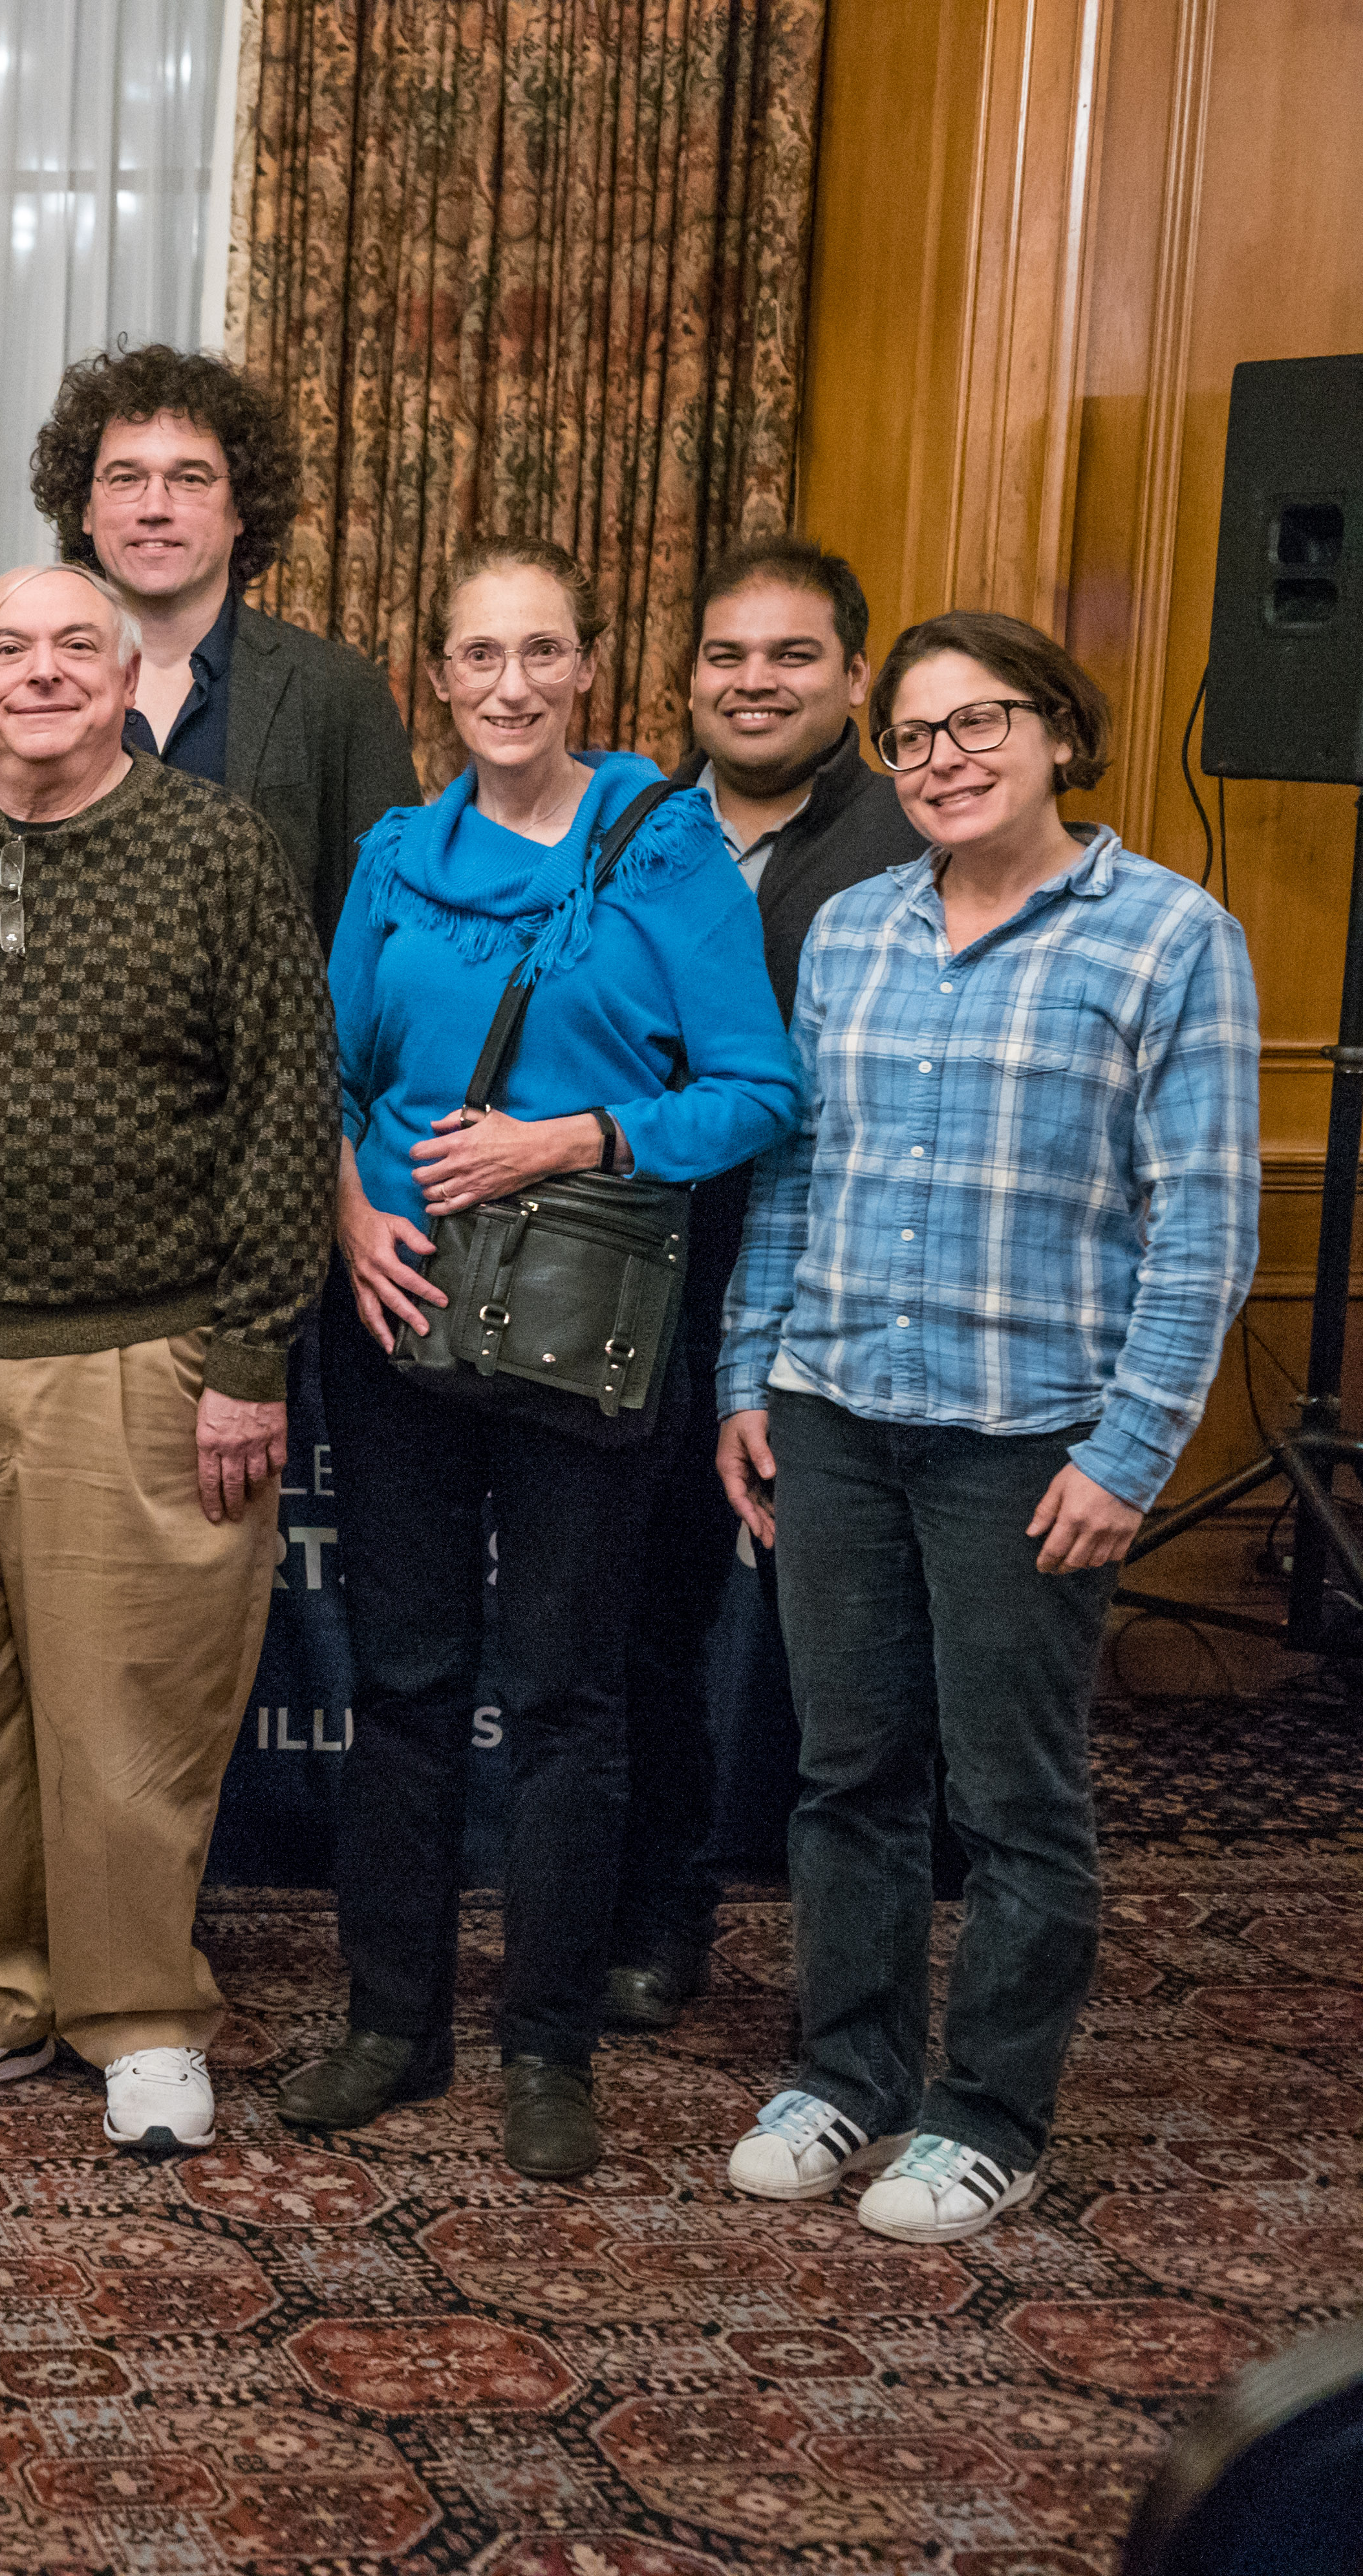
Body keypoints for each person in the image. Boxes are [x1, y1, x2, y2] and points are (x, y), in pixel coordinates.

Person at [719, 612, 1256, 2244]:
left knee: (1012, 1798)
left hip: (1024, 1436)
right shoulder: (857, 931)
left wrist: (1127, 1452)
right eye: (911, 736)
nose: (940, 760)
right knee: (844, 1769)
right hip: (833, 1411)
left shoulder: (1165, 936)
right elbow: (796, 1172)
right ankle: (850, 2072)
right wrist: (748, 1370)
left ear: (1058, 734)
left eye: (978, 725)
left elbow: (1205, 1223)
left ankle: (988, 2112)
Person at [284, 536, 799, 2181]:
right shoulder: (391, 854)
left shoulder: (661, 853)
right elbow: (324, 1075)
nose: (507, 685)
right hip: (395, 1316)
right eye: (475, 656)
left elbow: (753, 1091)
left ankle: (544, 2043)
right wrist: (351, 1218)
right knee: (407, 1684)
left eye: (539, 654)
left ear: (585, 668)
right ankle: (389, 2022)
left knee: (567, 1698)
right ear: (436, 677)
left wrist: (571, 1138)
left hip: (589, 1324)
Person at [0, 563, 332, 2143]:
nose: (39, 674)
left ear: (126, 686)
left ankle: (139, 2013)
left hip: (142, 1357)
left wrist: (247, 1353)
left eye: (73, 650)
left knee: (127, 1710)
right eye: (6, 652)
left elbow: (284, 1110)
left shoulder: (210, 850)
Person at [602, 534, 919, 2033]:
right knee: (648, 1625)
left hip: (837, 1302)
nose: (752, 682)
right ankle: (663, 1909)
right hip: (630, 1291)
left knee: (847, 1657)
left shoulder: (910, 840)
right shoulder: (630, 824)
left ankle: (860, 1976)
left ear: (852, 678)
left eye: (790, 656)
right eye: (724, 655)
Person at [0, 345, 420, 945]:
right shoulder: (15, 688)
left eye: (189, 479)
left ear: (241, 508)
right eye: (126, 479)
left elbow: (385, 928)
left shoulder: (337, 691)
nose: (155, 508)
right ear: (87, 510)